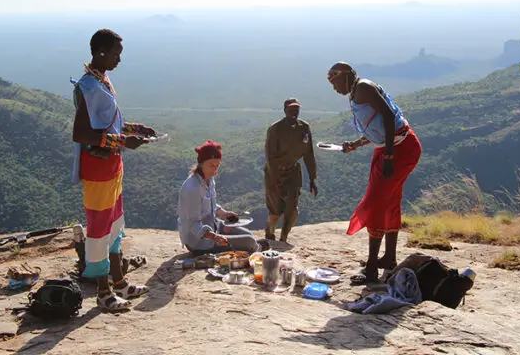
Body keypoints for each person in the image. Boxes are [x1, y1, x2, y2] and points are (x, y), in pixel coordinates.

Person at [71, 28, 158, 311]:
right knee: (98, 229)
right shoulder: (88, 87)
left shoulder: (103, 81)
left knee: (115, 224)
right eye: (116, 54)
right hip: (97, 169)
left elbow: (107, 124)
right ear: (100, 52)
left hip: (112, 166)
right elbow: (82, 134)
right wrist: (123, 140)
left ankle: (119, 281)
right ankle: (103, 291)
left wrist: (135, 129)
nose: (119, 60)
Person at [327, 62, 422, 284]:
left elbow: (389, 118)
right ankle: (388, 259)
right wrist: (357, 144)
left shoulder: (363, 88)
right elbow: (377, 127)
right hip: (390, 148)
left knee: (375, 203)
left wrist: (389, 156)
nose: (334, 89)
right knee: (389, 201)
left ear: (347, 76)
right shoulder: (355, 92)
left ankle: (371, 268)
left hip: (400, 149)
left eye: (335, 82)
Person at [178, 140, 268, 255]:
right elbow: (193, 224)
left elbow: (211, 205)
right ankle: (256, 249)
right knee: (249, 241)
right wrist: (215, 237)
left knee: (249, 235)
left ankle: (253, 246)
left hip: (214, 225)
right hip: (199, 241)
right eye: (211, 166)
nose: (215, 170)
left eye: (217, 166)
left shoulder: (209, 179)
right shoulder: (193, 188)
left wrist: (225, 214)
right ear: (201, 163)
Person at [263, 98, 318, 243]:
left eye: (297, 109)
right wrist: (276, 181)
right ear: (285, 110)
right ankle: (269, 232)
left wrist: (313, 178)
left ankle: (284, 238)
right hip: (275, 172)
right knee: (276, 210)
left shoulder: (304, 128)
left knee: (292, 208)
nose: (294, 112)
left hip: (293, 172)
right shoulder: (275, 129)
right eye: (291, 109)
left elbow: (309, 153)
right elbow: (270, 157)